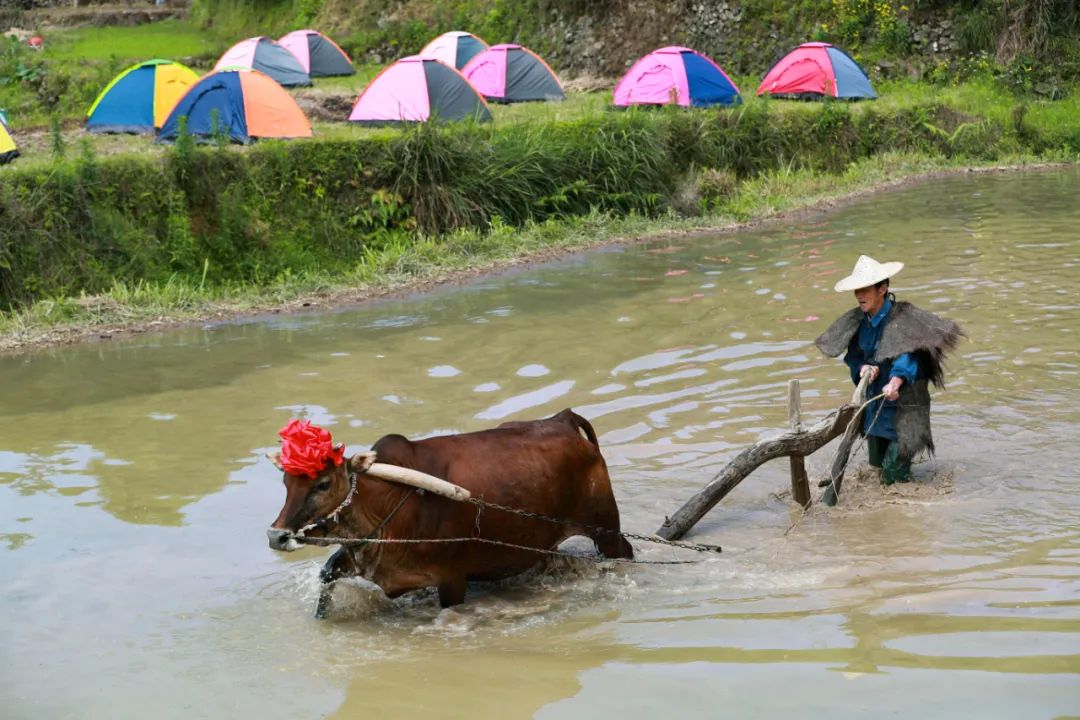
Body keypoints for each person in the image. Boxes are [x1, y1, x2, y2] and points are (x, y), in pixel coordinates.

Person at [815, 255, 964, 484]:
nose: (859, 296)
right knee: (876, 467)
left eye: (865, 290)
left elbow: (908, 356)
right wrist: (862, 367)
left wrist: (895, 381)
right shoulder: (859, 322)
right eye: (857, 291)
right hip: (876, 405)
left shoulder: (904, 320)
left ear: (882, 289)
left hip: (904, 406)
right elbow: (853, 357)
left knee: (893, 473)